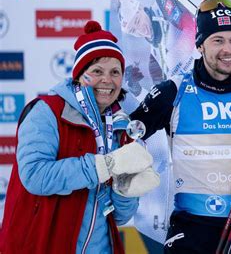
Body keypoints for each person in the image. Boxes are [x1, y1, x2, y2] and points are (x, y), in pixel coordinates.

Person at [129, 0, 231, 253]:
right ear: (200, 45)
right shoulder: (173, 91)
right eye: (218, 40)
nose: (228, 49)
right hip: (191, 229)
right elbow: (127, 135)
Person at [0, 20, 159, 254]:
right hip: (42, 244)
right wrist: (105, 165)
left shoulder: (120, 126)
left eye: (115, 72)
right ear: (79, 75)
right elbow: (35, 176)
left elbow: (120, 217)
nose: (107, 80)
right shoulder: (48, 111)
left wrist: (126, 191)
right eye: (97, 71)